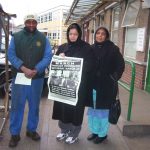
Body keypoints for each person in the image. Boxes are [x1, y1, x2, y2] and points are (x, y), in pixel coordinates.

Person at [7, 14, 52, 147]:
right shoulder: (16, 37)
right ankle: (15, 134)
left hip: (37, 79)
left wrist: (37, 69)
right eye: (28, 22)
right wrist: (23, 68)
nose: (31, 25)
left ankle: (31, 130)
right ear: (25, 22)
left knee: (34, 106)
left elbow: (48, 55)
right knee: (17, 106)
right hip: (20, 77)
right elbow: (11, 54)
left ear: (36, 23)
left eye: (34, 22)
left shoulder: (43, 38)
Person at [52, 23, 94, 144]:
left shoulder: (86, 48)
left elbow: (90, 64)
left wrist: (77, 66)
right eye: (70, 34)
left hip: (78, 86)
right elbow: (54, 64)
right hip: (64, 85)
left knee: (76, 109)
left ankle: (74, 133)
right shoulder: (62, 47)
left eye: (75, 34)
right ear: (68, 34)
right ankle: (64, 130)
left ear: (79, 34)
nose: (73, 36)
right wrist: (59, 58)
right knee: (63, 108)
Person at [87, 27, 125, 144]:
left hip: (106, 87)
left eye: (103, 34)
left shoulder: (113, 49)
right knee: (93, 110)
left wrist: (113, 77)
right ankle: (94, 131)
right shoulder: (91, 48)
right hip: (92, 85)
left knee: (102, 112)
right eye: (98, 33)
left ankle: (102, 134)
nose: (100, 35)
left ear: (107, 36)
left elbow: (120, 65)